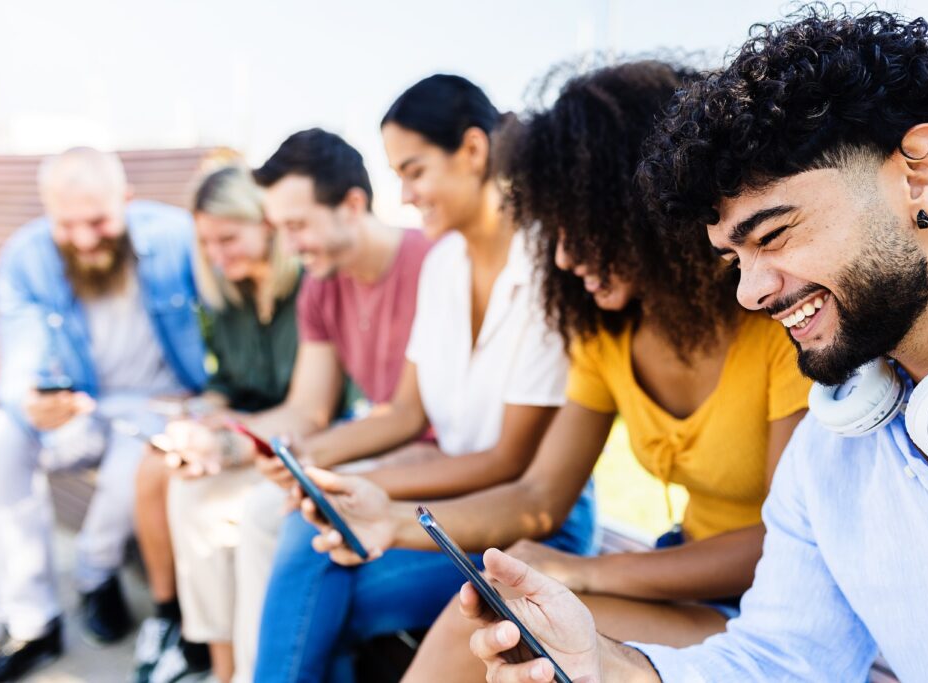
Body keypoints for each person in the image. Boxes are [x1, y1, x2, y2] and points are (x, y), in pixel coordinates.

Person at [460, 7, 928, 682]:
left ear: (920, 175)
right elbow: (782, 659)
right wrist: (607, 664)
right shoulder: (829, 453)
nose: (750, 293)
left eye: (774, 235)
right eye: (733, 257)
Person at [304, 61, 809, 683]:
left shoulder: (774, 328)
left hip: (764, 611)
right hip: (673, 581)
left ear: (650, 208)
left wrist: (581, 571)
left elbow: (779, 544)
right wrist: (390, 518)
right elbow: (539, 499)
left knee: (510, 625)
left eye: (583, 228)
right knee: (488, 623)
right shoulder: (607, 337)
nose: (565, 256)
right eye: (557, 232)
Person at [253, 74, 596, 683]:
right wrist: (310, 456)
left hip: (520, 525)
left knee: (315, 594)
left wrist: (371, 490)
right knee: (312, 574)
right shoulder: (441, 266)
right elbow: (406, 414)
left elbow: (511, 463)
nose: (405, 196)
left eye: (414, 171)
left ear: (471, 150)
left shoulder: (551, 267)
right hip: (447, 506)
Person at [160, 128, 431, 683]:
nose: (289, 242)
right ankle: (229, 667)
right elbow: (306, 408)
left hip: (419, 456)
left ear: (353, 205)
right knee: (209, 493)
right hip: (365, 446)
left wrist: (297, 456)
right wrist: (230, 442)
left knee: (268, 511)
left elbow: (409, 418)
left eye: (296, 225)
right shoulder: (321, 285)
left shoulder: (428, 265)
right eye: (281, 227)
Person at [0, 148, 207, 681]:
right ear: (47, 213)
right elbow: (20, 356)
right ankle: (31, 619)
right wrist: (31, 401)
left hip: (162, 403)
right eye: (68, 225)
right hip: (81, 407)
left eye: (98, 221)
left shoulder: (177, 238)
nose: (86, 240)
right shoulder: (27, 257)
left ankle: (95, 575)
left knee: (136, 460)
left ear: (127, 201)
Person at [130, 163, 301, 683]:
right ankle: (208, 655)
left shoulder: (308, 289)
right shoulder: (229, 299)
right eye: (208, 243)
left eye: (228, 237)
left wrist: (223, 431)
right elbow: (228, 382)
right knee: (171, 473)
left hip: (300, 441)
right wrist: (201, 413)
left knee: (200, 500)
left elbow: (315, 408)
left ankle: (223, 662)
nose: (218, 255)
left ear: (266, 223)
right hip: (249, 431)